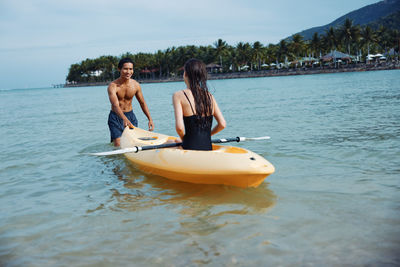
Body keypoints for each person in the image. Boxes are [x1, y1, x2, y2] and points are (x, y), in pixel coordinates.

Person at [172, 58, 226, 150]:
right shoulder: (209, 96)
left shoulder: (178, 95)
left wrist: (184, 139)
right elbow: (222, 124)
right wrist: (209, 135)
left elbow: (179, 128)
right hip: (207, 146)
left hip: (189, 147)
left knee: (172, 142)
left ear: (185, 74)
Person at [107, 57, 154, 147]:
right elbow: (115, 105)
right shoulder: (113, 86)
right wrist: (124, 119)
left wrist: (150, 119)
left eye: (131, 69)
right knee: (118, 144)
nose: (128, 72)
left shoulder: (135, 85)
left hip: (130, 116)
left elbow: (142, 103)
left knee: (132, 143)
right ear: (119, 69)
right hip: (116, 117)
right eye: (125, 69)